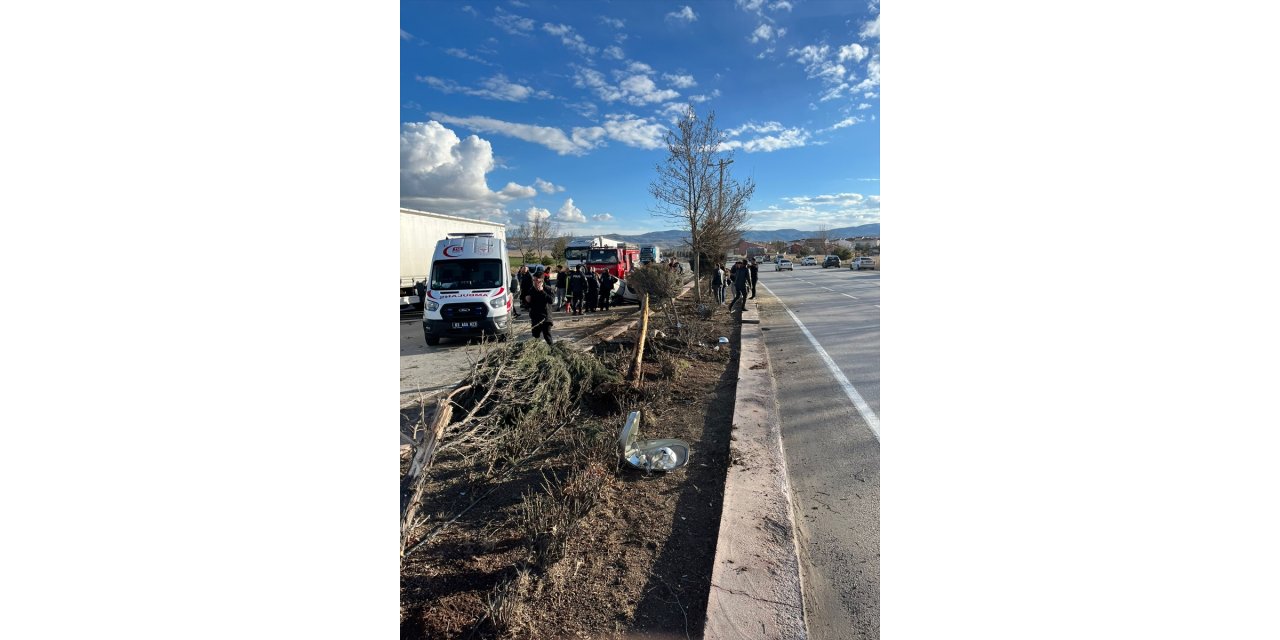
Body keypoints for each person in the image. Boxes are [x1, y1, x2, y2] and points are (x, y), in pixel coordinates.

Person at [524, 275, 555, 345]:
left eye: (537, 281)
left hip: (546, 318)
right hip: (535, 318)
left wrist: (542, 291)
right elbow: (529, 305)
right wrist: (527, 301)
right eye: (534, 280)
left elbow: (551, 301)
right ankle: (536, 352)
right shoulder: (531, 290)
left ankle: (552, 351)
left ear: (542, 281)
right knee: (535, 337)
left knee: (547, 336)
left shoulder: (548, 289)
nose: (535, 282)